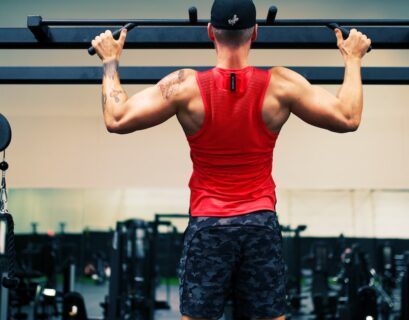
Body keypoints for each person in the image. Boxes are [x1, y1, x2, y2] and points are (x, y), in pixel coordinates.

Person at [91, 0, 371, 318]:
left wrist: (110, 62)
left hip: (209, 226)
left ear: (211, 32)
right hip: (259, 225)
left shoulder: (184, 85)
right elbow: (348, 117)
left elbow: (116, 118)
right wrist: (353, 59)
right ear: (256, 33)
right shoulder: (282, 84)